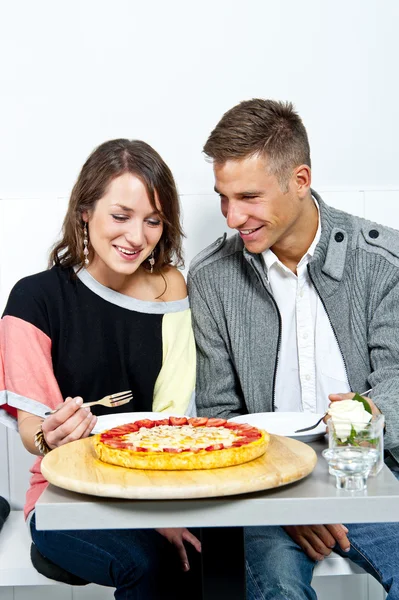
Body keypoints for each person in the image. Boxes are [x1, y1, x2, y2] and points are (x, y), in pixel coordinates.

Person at [188, 99, 399, 599]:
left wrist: (362, 414)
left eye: (249, 197)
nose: (233, 216)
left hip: (368, 474)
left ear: (299, 180)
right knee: (278, 590)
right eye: (223, 197)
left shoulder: (382, 263)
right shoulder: (212, 279)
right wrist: (287, 503)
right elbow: (221, 415)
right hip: (265, 482)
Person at [0, 139, 200, 599]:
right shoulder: (33, 300)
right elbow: (34, 432)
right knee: (149, 566)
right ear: (85, 211)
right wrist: (52, 435)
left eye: (153, 220)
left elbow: (171, 415)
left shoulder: (169, 288)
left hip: (151, 486)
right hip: (64, 492)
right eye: (121, 215)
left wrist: (163, 511)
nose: (137, 236)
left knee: (208, 561)